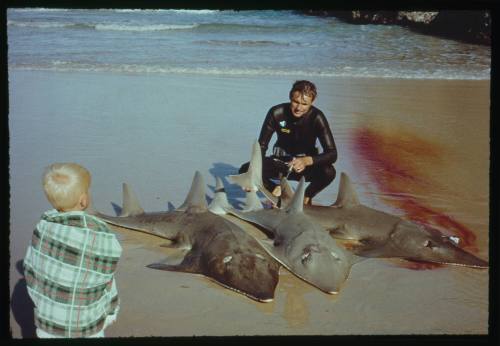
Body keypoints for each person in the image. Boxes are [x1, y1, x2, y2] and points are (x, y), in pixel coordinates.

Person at [23, 163, 122, 338]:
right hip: (86, 327)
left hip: (48, 324)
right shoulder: (100, 233)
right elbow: (107, 275)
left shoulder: (43, 226)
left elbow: (31, 268)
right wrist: (111, 309)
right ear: (84, 200)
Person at [239, 80, 337, 205]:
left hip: (305, 167)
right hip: (280, 163)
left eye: (304, 104)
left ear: (312, 102)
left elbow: (332, 154)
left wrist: (305, 161)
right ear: (290, 97)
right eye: (295, 102)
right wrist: (253, 177)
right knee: (245, 170)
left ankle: (306, 196)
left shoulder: (317, 117)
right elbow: (262, 147)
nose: (298, 108)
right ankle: (275, 191)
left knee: (329, 172)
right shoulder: (276, 113)